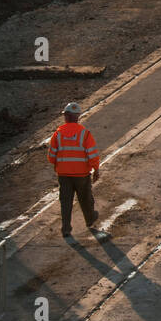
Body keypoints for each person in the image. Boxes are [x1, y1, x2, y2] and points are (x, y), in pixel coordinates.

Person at [48, 102, 103, 240]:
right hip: (81, 175)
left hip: (64, 175)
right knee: (86, 198)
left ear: (66, 116)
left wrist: (58, 165)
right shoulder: (84, 134)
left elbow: (51, 156)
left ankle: (66, 228)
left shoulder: (57, 134)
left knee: (65, 202)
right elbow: (92, 154)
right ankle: (89, 219)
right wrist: (96, 169)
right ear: (77, 116)